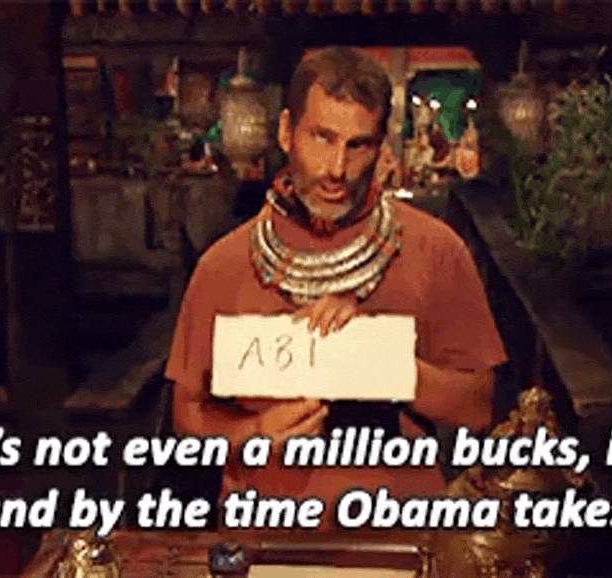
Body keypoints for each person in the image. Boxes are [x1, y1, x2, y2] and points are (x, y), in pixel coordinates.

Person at [165, 46, 507, 529]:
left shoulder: (436, 250)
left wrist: (383, 360)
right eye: (322, 138)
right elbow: (187, 416)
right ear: (287, 131)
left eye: (358, 144)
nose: (336, 168)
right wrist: (254, 431)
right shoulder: (223, 266)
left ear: (381, 147)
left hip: (399, 533)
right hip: (263, 534)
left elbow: (478, 406)